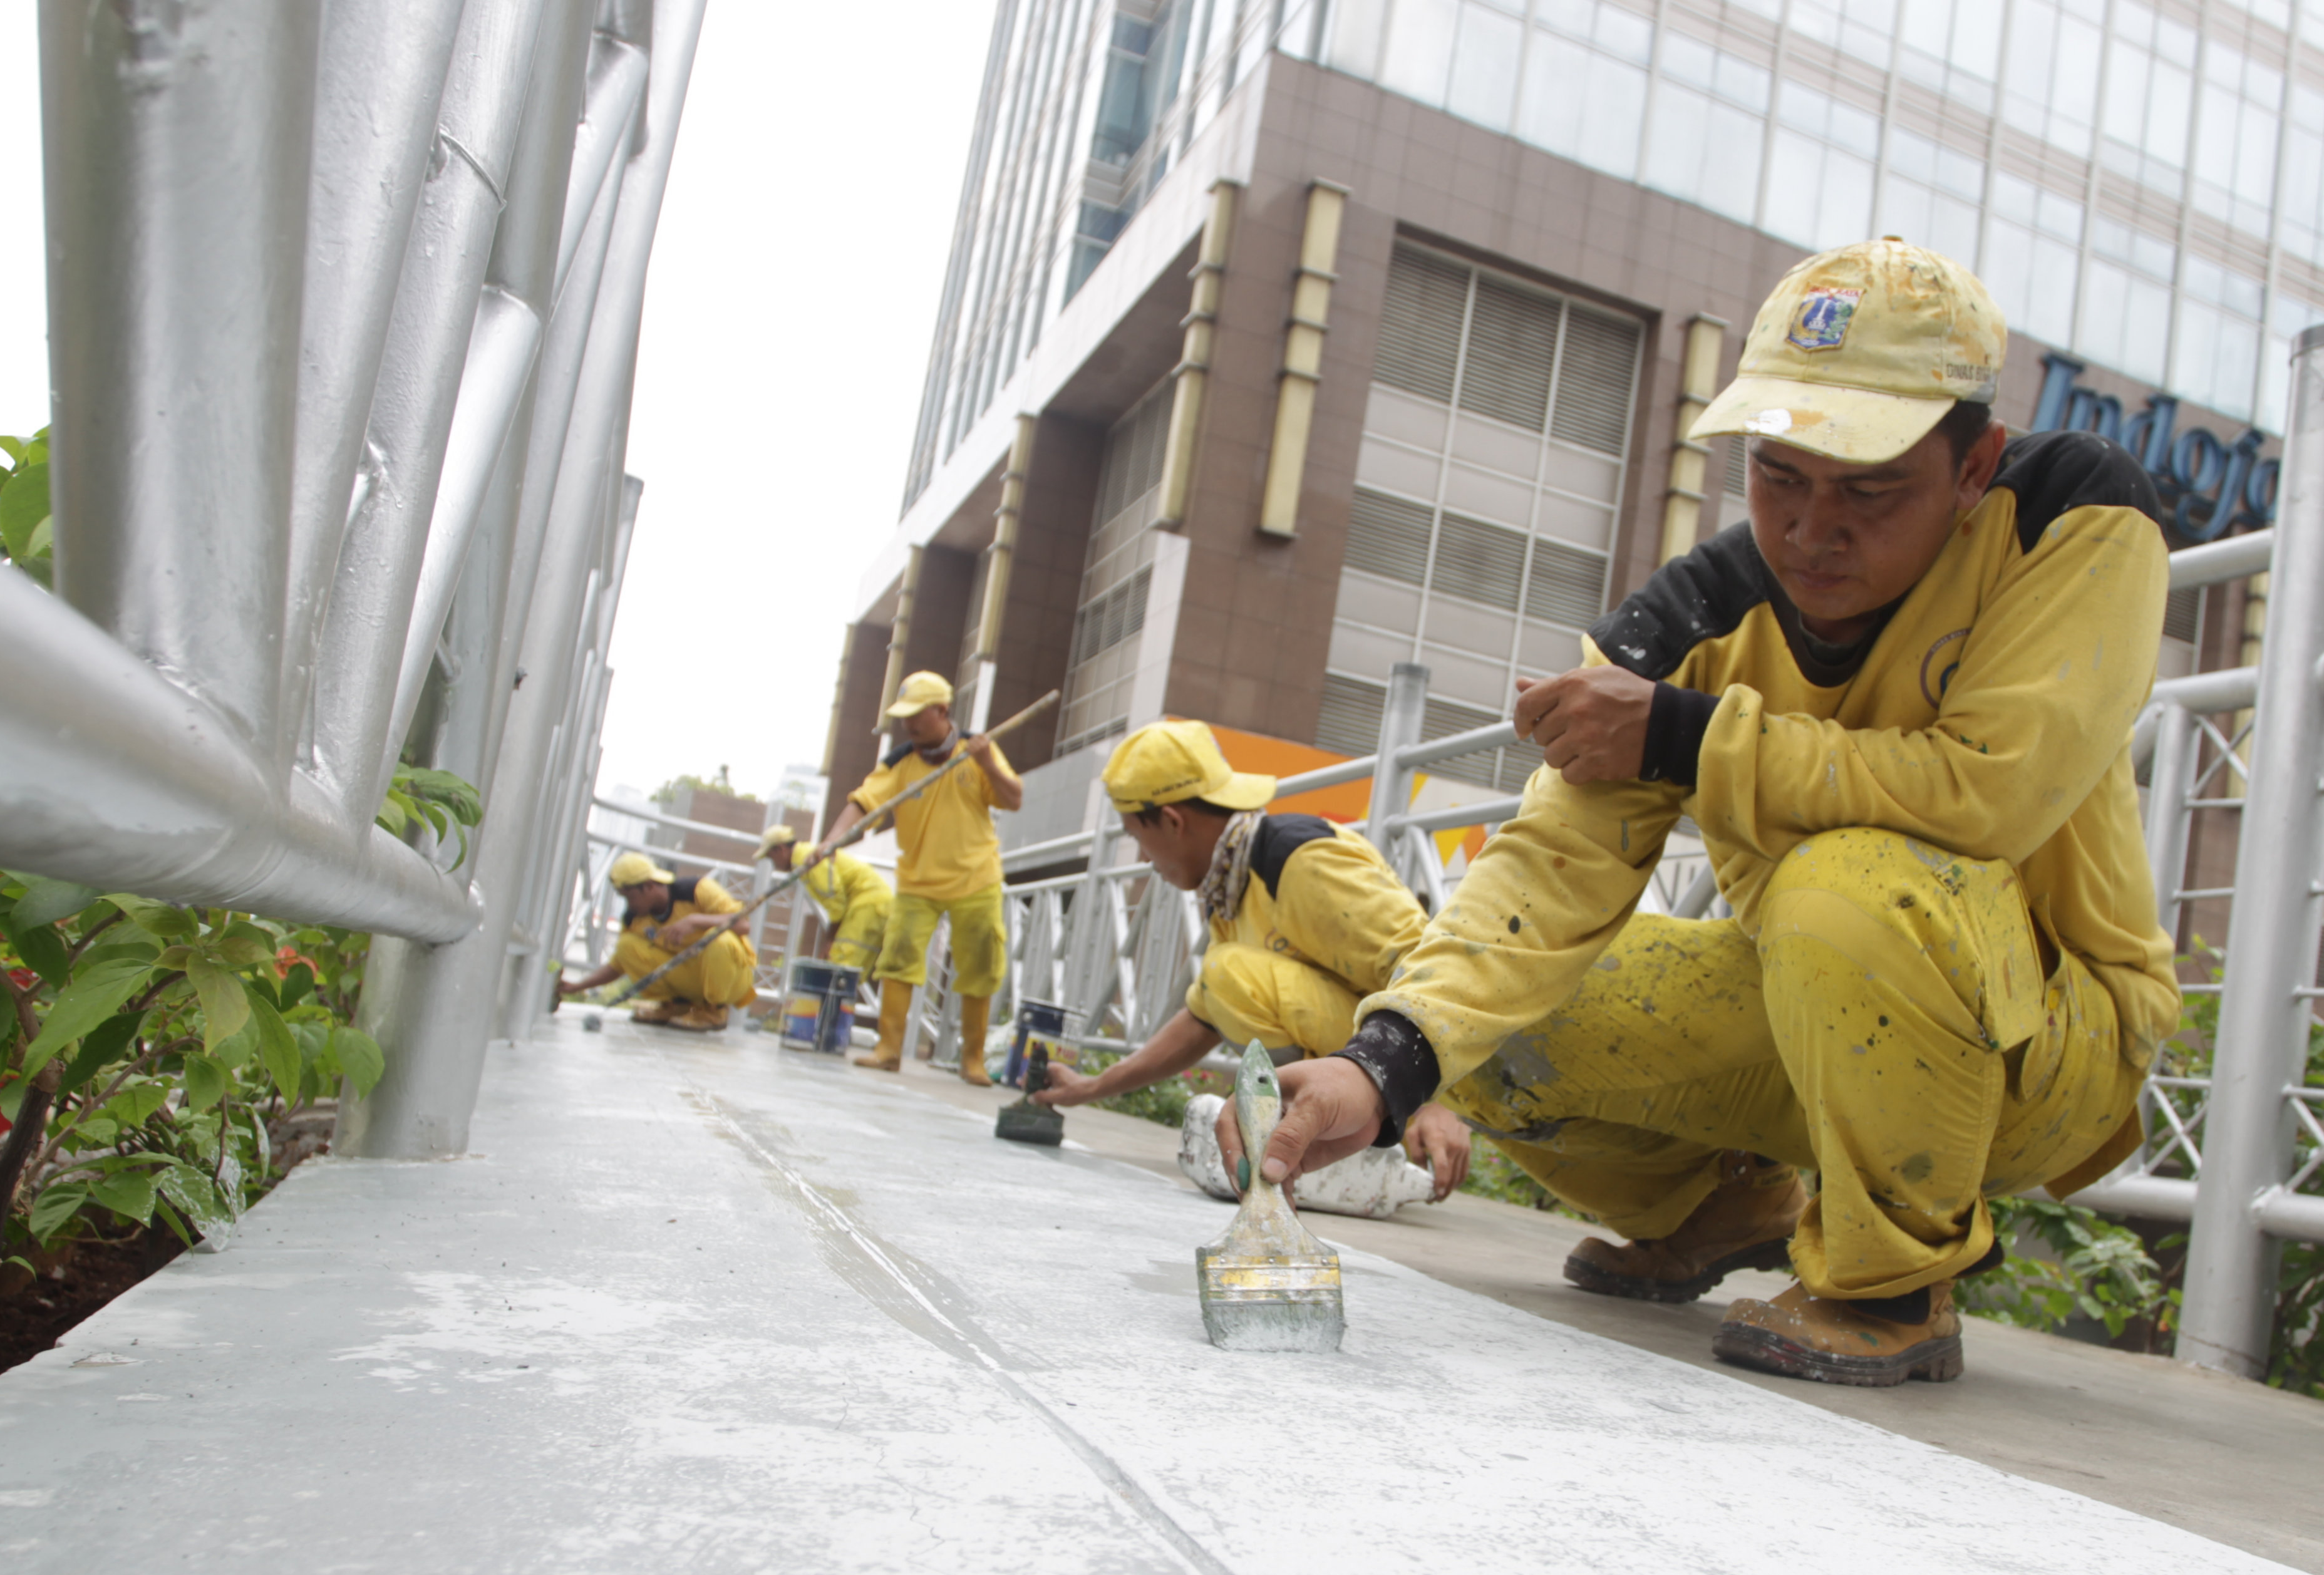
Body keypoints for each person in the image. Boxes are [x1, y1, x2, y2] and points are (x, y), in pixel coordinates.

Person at [1234, 238, 2177, 1388]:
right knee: (1485, 1031)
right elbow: (1546, 877)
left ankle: (1889, 1284)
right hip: (1816, 1006)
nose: (1812, 530)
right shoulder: (1688, 626)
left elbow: (1988, 785)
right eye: (1778, 475)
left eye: (1871, 489)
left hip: (2049, 1041)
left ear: (1975, 464)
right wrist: (1381, 1068)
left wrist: (1683, 734)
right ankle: (1731, 1206)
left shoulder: (2071, 519)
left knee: (1847, 885)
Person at [1032, 719, 1473, 1201]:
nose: (1143, 857)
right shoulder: (1231, 884)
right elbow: (1202, 1017)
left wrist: (1432, 1102)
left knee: (1227, 973)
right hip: (1382, 1073)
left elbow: (1427, 966)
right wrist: (1089, 1087)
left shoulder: (1298, 858)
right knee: (1225, 977)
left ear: (1173, 820)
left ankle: (1335, 1135)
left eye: (1137, 834)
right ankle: (1320, 1134)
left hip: (1425, 1068)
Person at [822, 671, 1022, 1084]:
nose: (908, 723)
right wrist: (830, 843)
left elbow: (1013, 798)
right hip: (917, 881)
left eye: (916, 714)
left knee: (981, 962)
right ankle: (888, 1049)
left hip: (976, 876)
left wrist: (987, 764)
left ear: (941, 711)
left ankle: (972, 1059)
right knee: (897, 959)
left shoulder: (977, 749)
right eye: (903, 716)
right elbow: (863, 803)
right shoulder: (899, 763)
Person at [555, 851, 756, 1032]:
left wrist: (696, 921)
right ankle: (677, 1006)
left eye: (631, 897)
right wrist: (577, 987)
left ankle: (715, 1012)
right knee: (628, 946)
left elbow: (743, 925)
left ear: (650, 886)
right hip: (692, 978)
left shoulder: (697, 890)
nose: (630, 905)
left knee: (719, 938)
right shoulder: (635, 919)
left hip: (732, 977)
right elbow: (618, 965)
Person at [754, 822, 892, 974]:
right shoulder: (806, 857)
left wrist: (829, 941)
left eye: (771, 858)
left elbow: (836, 903)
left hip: (867, 905)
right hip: (870, 905)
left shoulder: (809, 860)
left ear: (780, 849)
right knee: (848, 972)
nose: (775, 865)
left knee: (837, 970)